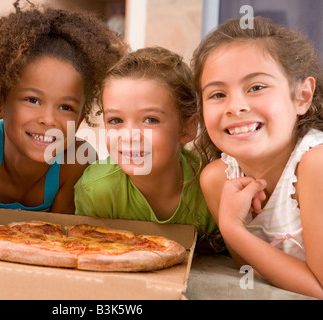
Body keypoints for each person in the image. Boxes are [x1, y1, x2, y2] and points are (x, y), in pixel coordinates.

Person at [192, 17, 323, 299]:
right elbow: (252, 272)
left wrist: (233, 228)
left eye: (256, 87)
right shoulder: (217, 179)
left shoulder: (316, 164)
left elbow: (320, 288)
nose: (235, 107)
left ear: (302, 96)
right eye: (217, 94)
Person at [0, 0, 127, 214]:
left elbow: (59, 238)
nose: (48, 119)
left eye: (66, 107)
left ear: (79, 121)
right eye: (33, 100)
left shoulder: (75, 162)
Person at [74, 47, 224, 253]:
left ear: (187, 128)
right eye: (115, 120)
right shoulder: (96, 191)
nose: (129, 135)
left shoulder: (210, 188)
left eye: (150, 120)